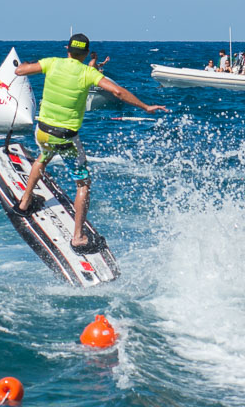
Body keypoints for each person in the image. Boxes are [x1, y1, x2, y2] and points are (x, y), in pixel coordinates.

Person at [13, 34, 168, 253]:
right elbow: (117, 91)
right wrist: (145, 107)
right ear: (86, 54)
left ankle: (24, 203)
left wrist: (26, 64)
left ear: (67, 49)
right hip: (65, 137)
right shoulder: (88, 73)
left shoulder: (52, 63)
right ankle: (77, 238)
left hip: (43, 132)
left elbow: (20, 71)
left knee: (42, 159)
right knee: (83, 183)